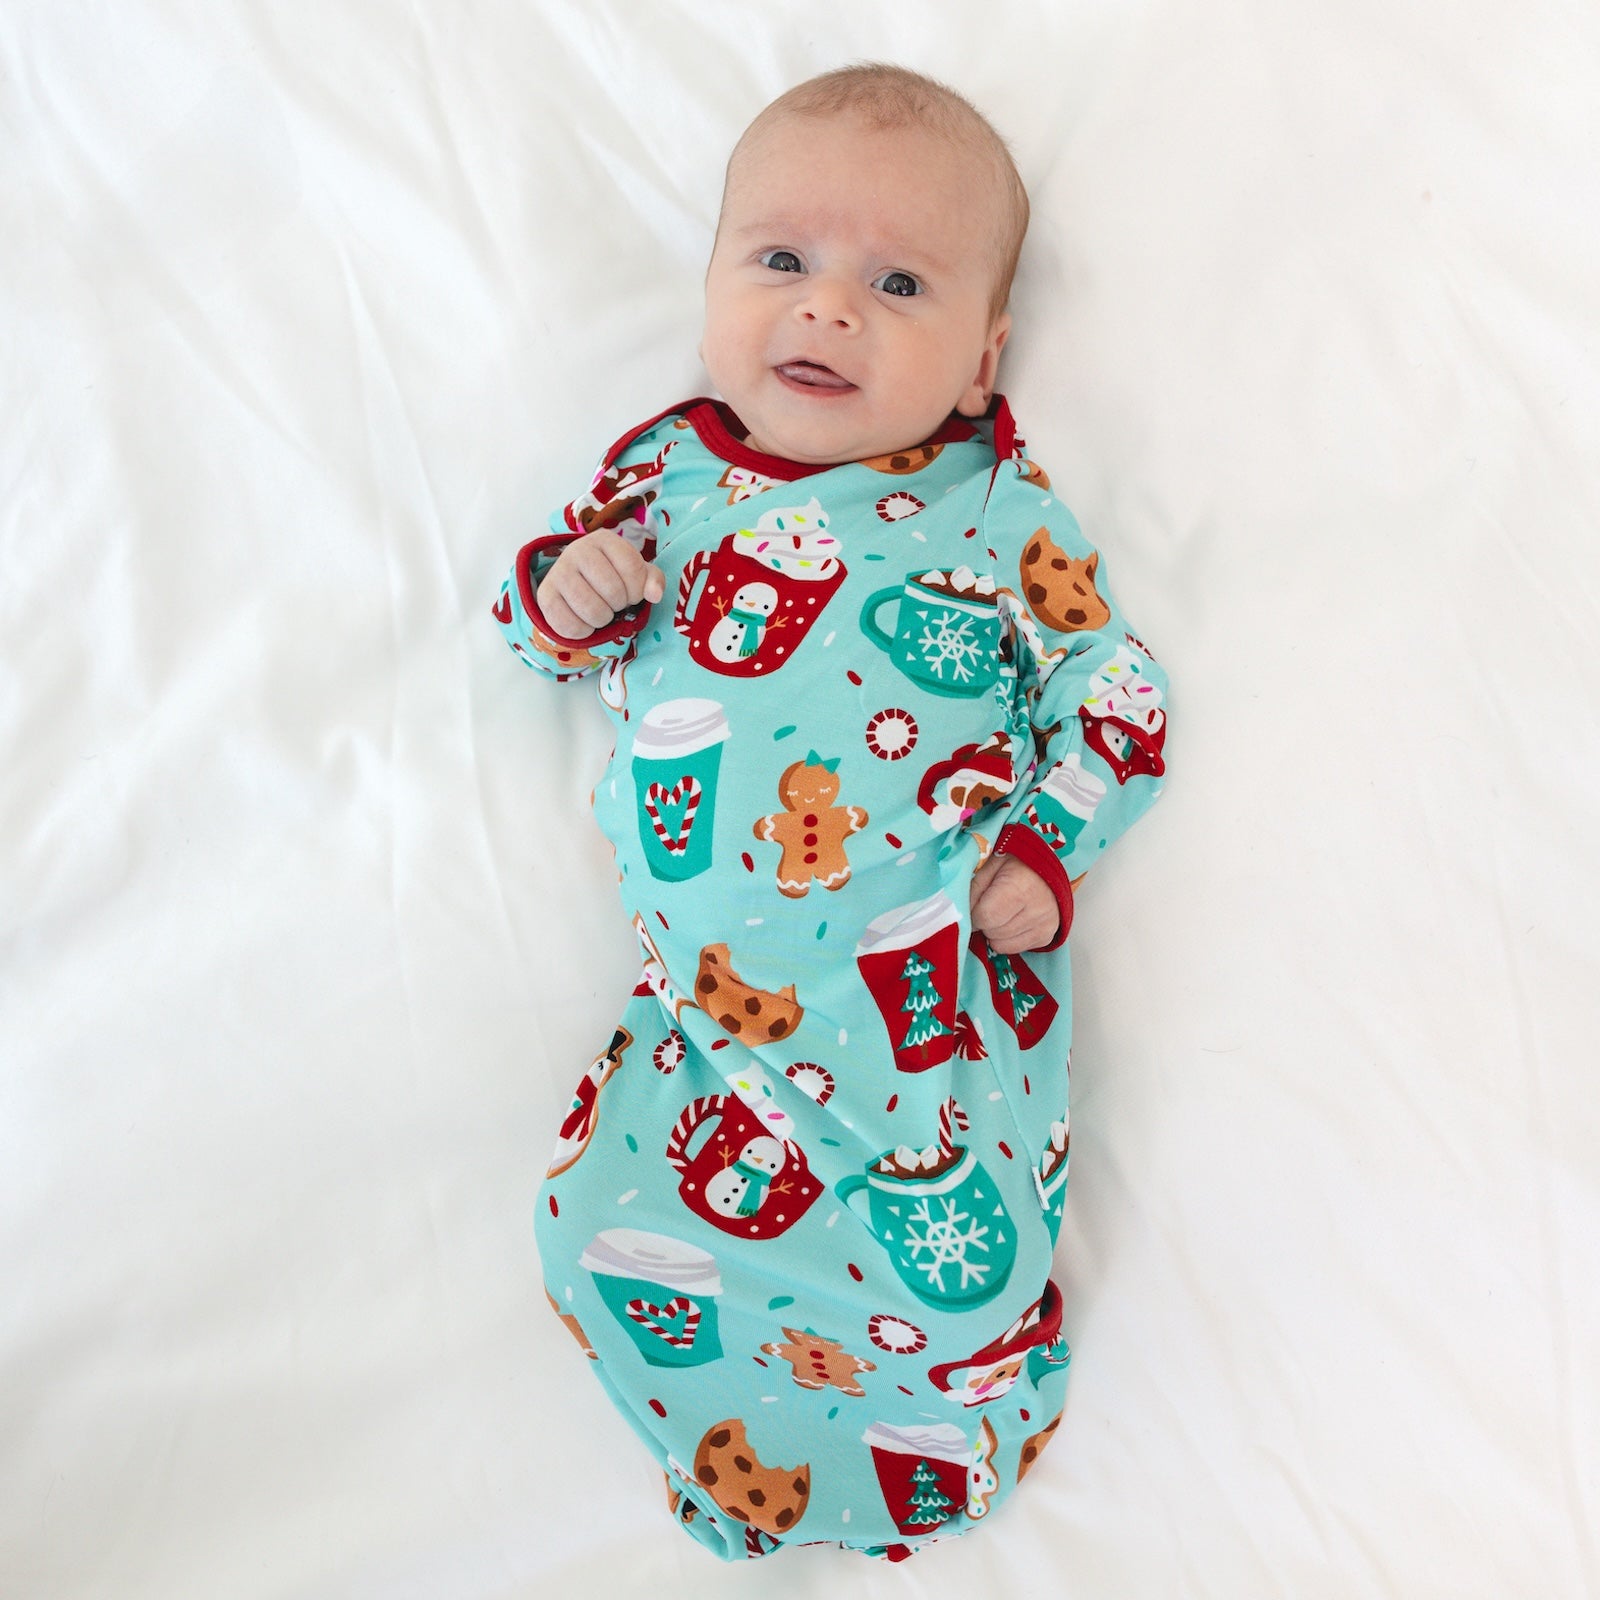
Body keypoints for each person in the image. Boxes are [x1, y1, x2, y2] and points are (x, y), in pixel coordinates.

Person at [494, 62, 1168, 1562]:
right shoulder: (662, 477)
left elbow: (1116, 698)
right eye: (783, 262)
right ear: (716, 286)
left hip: (924, 1011)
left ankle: (942, 1436)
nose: (828, 309)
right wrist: (571, 592)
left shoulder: (993, 511)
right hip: (706, 1027)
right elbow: (540, 620)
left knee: (960, 1280)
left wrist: (1050, 848)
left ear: (984, 360)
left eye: (900, 281)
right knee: (588, 1224)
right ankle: (733, 1469)